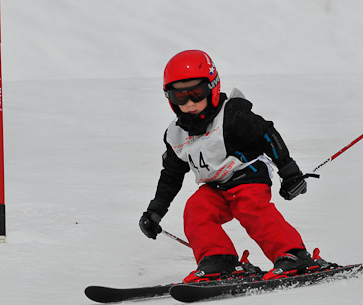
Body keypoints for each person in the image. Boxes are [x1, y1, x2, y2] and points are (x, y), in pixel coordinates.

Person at [139, 49, 334, 283]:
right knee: (196, 209)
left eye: (196, 93)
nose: (190, 103)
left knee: (250, 208)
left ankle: (293, 255)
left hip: (247, 179)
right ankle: (219, 260)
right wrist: (155, 211)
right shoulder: (176, 134)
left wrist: (289, 171)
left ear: (213, 87)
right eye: (180, 97)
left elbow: (266, 134)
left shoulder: (232, 115)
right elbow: (171, 175)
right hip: (215, 189)